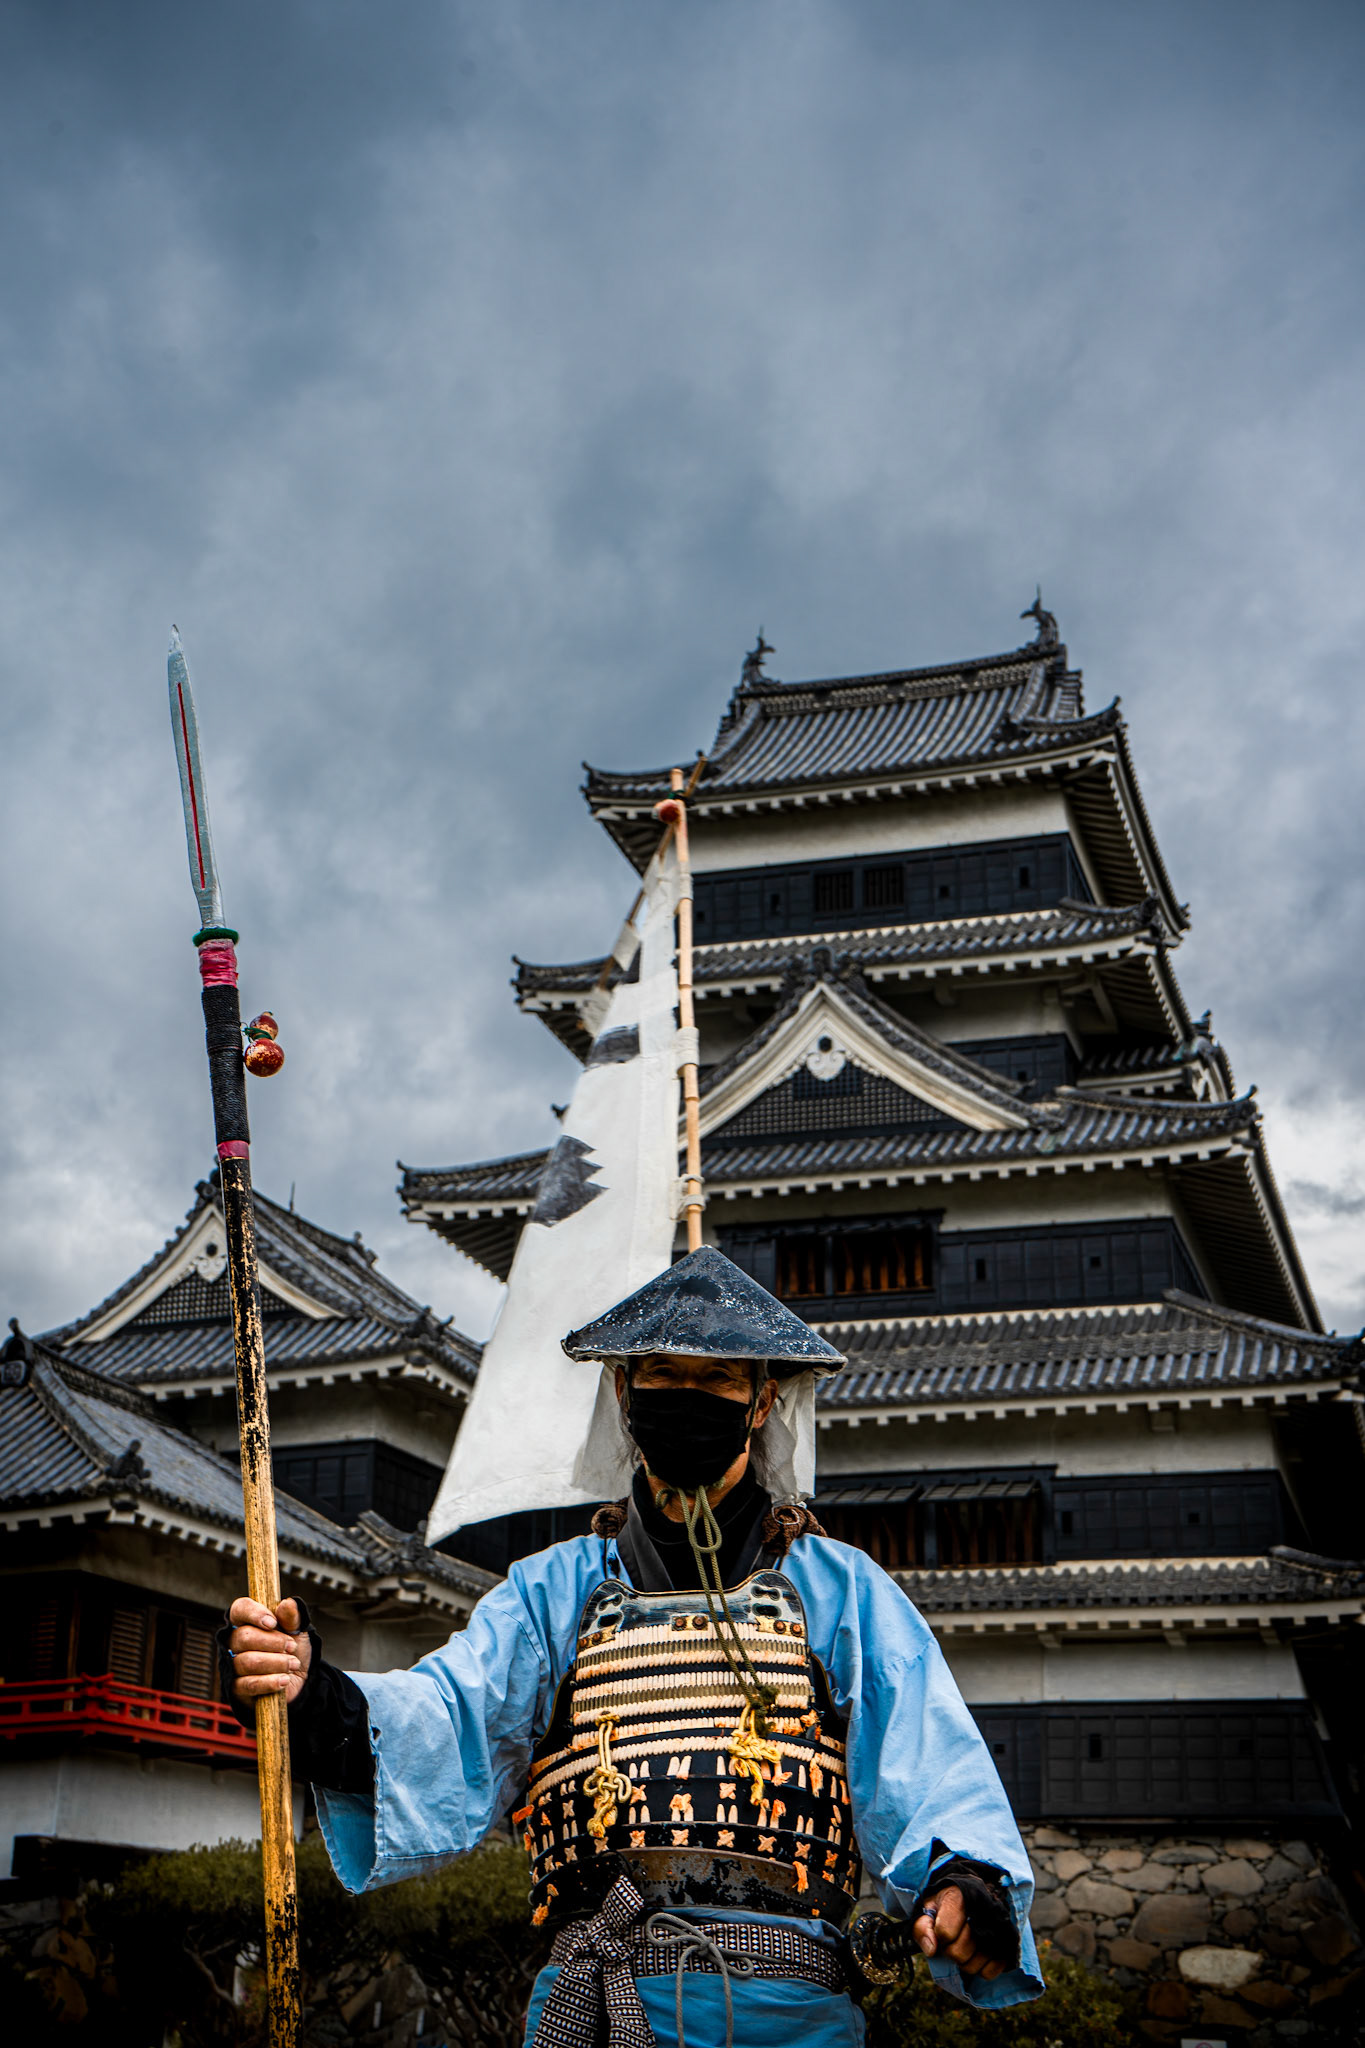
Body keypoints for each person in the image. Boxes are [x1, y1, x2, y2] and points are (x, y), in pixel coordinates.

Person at [224, 1249, 1042, 2047]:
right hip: (592, 2002)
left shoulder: (843, 1593)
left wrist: (963, 1880)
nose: (687, 1395)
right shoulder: (551, 1594)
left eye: (717, 1378)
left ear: (761, 1401)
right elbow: (448, 1717)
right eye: (662, 1373)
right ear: (623, 1389)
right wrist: (314, 1694)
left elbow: (928, 1764)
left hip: (791, 2018)